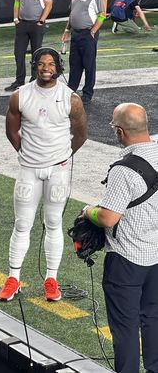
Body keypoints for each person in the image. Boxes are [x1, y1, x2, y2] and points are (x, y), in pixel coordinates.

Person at [0, 47, 87, 302]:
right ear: (34, 65)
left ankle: (52, 279)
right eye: (41, 63)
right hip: (29, 169)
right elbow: (11, 131)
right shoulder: (20, 96)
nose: (46, 67)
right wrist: (28, 154)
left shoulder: (71, 98)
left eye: (50, 63)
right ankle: (13, 278)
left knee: (54, 224)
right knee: (22, 224)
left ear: (59, 66)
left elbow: (81, 135)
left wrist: (62, 157)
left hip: (58, 170)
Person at [81, 103, 158, 373]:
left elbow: (108, 218)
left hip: (127, 260)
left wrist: (88, 211)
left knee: (125, 327)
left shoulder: (123, 170)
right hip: (157, 255)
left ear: (120, 132)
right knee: (154, 319)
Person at [4, 0, 53, 92]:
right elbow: (17, 1)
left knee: (36, 55)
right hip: (22, 24)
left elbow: (49, 3)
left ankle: (34, 81)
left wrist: (42, 20)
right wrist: (15, 18)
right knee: (18, 53)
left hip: (36, 24)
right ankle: (19, 80)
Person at [61, 0, 106, 104]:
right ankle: (71, 90)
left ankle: (87, 94)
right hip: (75, 33)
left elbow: (102, 14)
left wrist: (93, 31)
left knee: (89, 64)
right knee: (74, 63)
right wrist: (67, 30)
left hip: (88, 34)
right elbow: (72, 13)